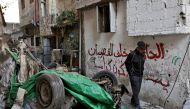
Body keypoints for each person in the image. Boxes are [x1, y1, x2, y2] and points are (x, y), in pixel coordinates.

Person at [124, 41, 146, 109]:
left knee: (137, 90)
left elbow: (142, 63)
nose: (143, 50)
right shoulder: (132, 54)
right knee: (136, 91)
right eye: (141, 49)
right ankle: (137, 105)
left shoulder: (142, 54)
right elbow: (127, 63)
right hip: (134, 76)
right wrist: (130, 73)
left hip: (140, 75)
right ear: (138, 47)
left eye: (143, 49)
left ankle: (133, 100)